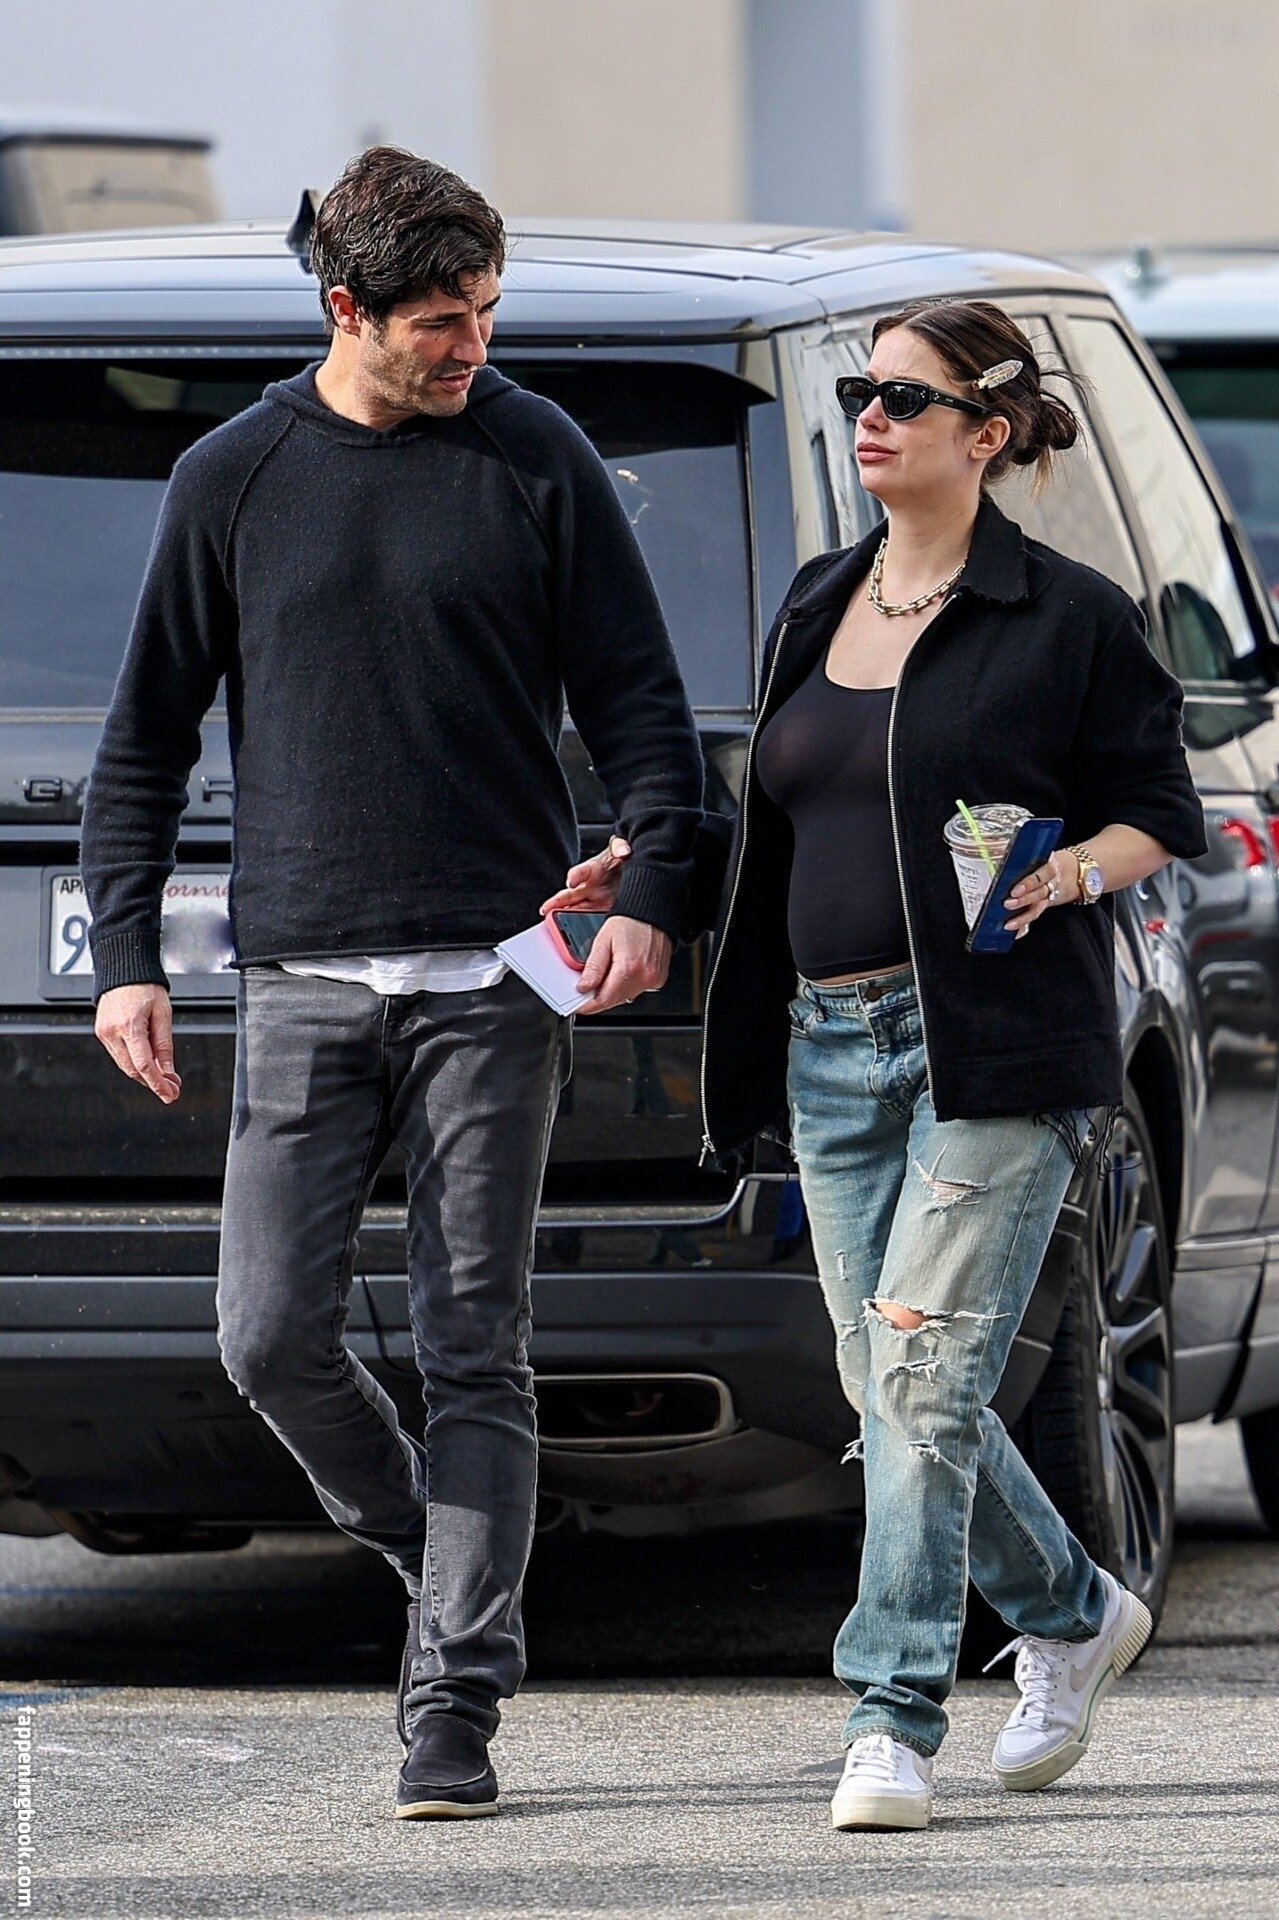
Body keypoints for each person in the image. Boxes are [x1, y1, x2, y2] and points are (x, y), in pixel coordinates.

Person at [81, 146, 704, 1820]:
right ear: (347, 307)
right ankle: (438, 1557)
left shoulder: (534, 457)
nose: (474, 347)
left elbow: (644, 711)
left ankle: (455, 1698)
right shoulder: (232, 477)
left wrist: (654, 885)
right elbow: (142, 745)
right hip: (299, 978)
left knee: (475, 1344)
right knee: (267, 1336)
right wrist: (127, 959)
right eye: (443, 320)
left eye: (489, 312)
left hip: (495, 981)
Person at [552, 299, 1206, 1832]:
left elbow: (1158, 810)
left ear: (988, 432)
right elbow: (776, 809)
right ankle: (1074, 1611)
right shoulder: (818, 599)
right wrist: (649, 869)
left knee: (916, 1371)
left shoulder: (1068, 615)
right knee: (890, 1378)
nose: (871, 416)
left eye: (907, 397)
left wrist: (1067, 874)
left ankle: (891, 1716)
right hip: (829, 1047)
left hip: (998, 1047)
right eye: (863, 391)